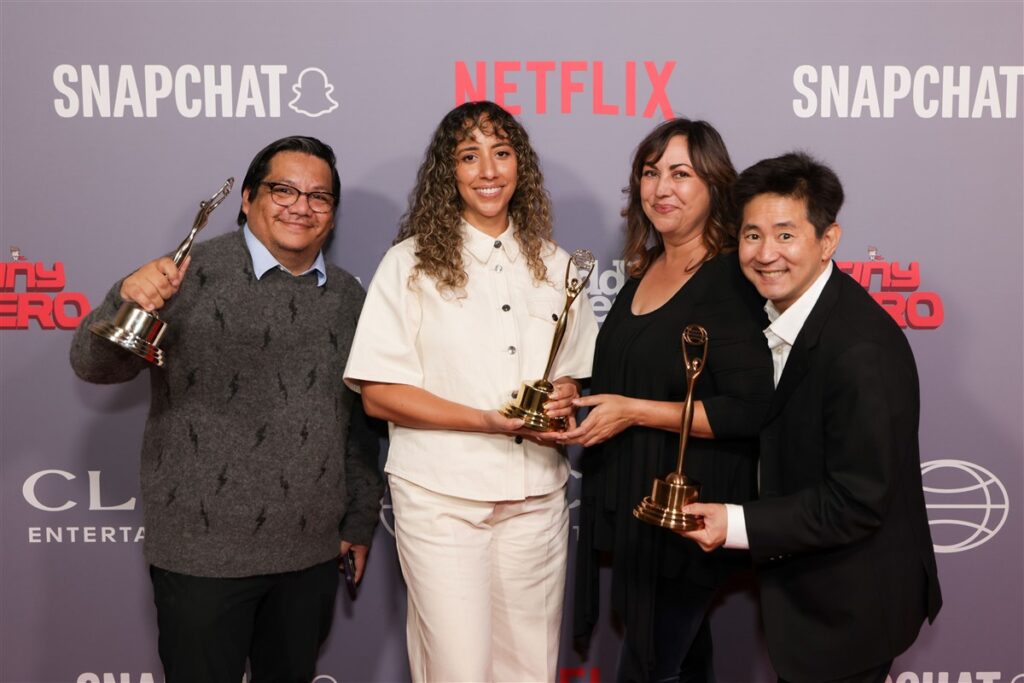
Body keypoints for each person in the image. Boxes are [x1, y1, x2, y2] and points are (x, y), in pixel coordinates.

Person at [70, 136, 384, 683]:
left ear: (332, 214)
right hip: (200, 556)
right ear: (247, 198)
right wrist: (125, 299)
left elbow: (357, 422)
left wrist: (359, 519)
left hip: (309, 556)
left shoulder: (350, 299)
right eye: (283, 190)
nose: (301, 206)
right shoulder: (182, 276)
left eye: (319, 197)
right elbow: (93, 366)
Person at [344, 100, 598, 683]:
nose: (488, 170)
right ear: (449, 172)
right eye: (469, 156)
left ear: (520, 166)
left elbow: (570, 375)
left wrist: (562, 395)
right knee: (457, 669)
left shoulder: (558, 266)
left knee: (530, 669)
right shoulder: (409, 264)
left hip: (536, 498)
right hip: (442, 501)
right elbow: (378, 395)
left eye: (501, 153)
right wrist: (486, 420)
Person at [680, 152, 942, 683]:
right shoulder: (789, 315)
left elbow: (856, 501)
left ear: (828, 241)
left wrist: (736, 522)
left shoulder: (859, 349)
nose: (765, 254)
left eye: (785, 235)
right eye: (752, 235)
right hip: (812, 590)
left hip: (853, 608)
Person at [567, 118, 774, 683]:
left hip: (690, 515)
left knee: (649, 666)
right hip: (640, 508)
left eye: (681, 174)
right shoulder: (645, 272)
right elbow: (627, 377)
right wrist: (576, 393)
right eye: (650, 172)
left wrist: (635, 411)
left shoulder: (732, 279)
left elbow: (750, 408)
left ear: (714, 185)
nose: (661, 188)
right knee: (683, 663)